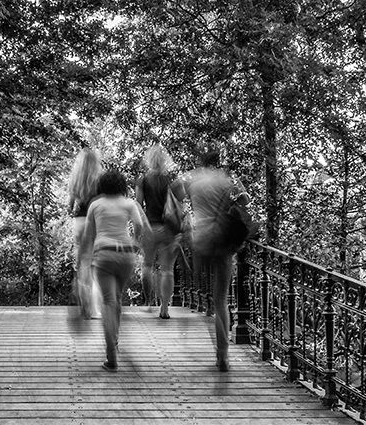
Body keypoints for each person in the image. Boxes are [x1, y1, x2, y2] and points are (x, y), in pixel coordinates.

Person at [184, 147, 251, 372]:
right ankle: (223, 354)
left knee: (209, 297)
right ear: (218, 161)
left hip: (201, 238)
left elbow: (185, 204)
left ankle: (194, 302)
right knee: (222, 298)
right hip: (222, 237)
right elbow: (245, 199)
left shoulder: (193, 180)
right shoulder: (224, 179)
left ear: (201, 162)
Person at [83, 167, 148, 371]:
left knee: (109, 302)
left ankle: (111, 355)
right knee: (118, 299)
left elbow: (88, 235)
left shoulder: (95, 205)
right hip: (126, 255)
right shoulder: (129, 203)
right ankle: (116, 339)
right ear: (121, 185)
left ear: (102, 186)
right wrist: (136, 243)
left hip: (103, 254)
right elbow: (139, 226)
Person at [135, 144, 185, 319]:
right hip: (168, 229)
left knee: (147, 265)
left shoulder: (143, 180)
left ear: (149, 159)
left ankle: (148, 303)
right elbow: (182, 200)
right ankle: (164, 308)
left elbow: (138, 206)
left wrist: (139, 230)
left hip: (150, 228)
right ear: (164, 160)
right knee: (167, 269)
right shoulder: (170, 179)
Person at [68, 147, 102, 318]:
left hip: (78, 222)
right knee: (95, 267)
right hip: (94, 223)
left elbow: (69, 206)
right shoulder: (99, 180)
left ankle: (85, 306)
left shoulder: (75, 179)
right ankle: (94, 309)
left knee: (83, 265)